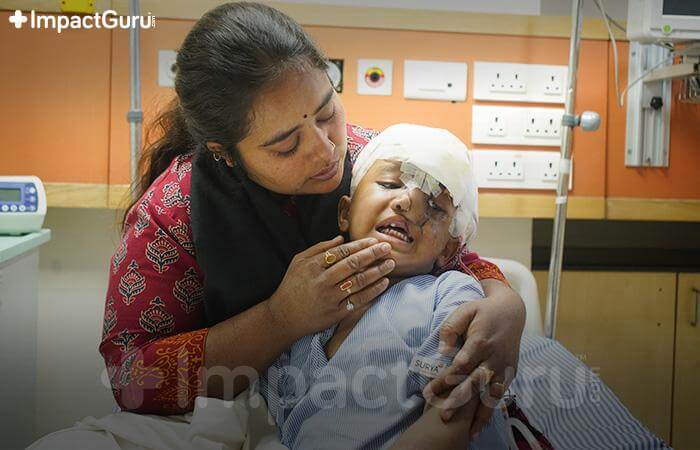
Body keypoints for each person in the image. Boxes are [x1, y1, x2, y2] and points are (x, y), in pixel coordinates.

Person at [94, 0, 523, 443]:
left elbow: (452, 254)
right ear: (226, 152)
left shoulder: (377, 165)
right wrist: (279, 320)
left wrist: (506, 304)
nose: (326, 151)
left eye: (327, 113)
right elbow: (130, 376)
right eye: (286, 146)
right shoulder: (173, 211)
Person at [257, 123, 512, 449]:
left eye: (435, 206)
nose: (407, 201)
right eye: (390, 184)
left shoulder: (450, 295)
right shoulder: (309, 307)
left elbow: (453, 420)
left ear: (448, 250)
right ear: (345, 212)